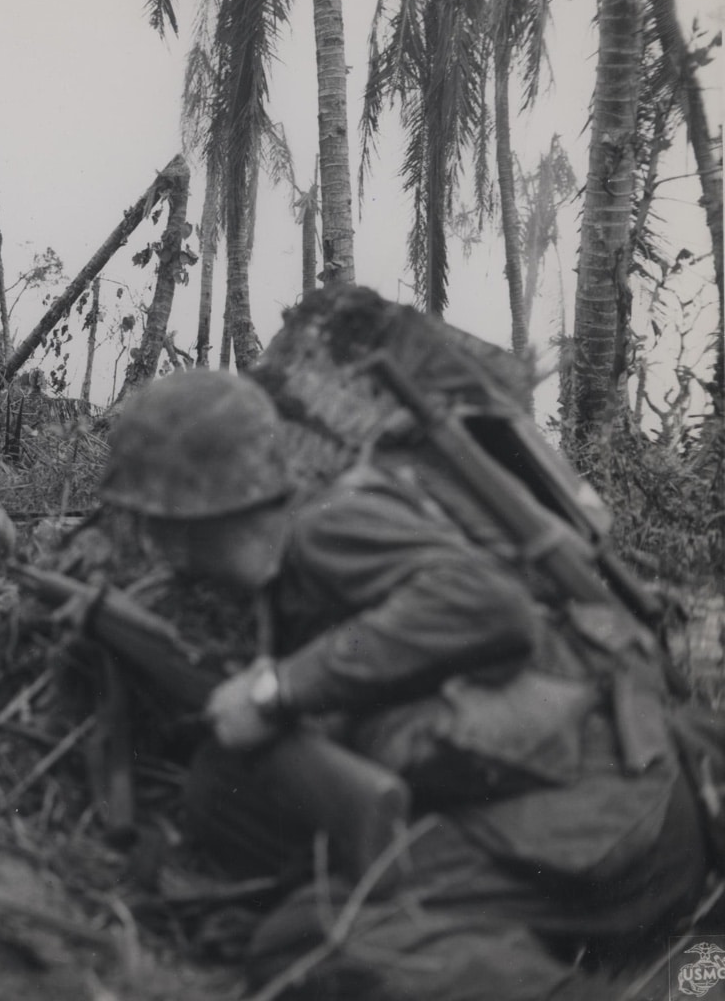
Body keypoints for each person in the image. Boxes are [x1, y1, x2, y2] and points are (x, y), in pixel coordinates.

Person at [96, 369, 715, 1000]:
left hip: (606, 831)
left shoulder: (326, 528)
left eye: (155, 522)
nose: (156, 545)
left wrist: (280, 688)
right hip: (588, 812)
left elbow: (482, 603)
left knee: (317, 936)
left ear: (193, 512)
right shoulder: (300, 558)